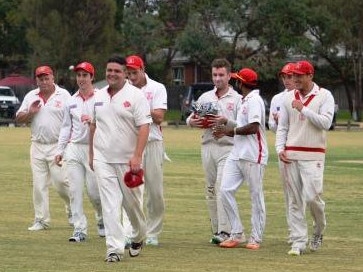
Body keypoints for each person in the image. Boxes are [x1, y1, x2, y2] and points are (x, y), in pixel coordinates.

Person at [89, 56, 152, 262]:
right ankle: (114, 250)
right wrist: (92, 154)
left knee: (132, 207)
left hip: (128, 162)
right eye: (109, 70)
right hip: (103, 159)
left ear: (125, 73)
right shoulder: (97, 96)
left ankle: (139, 235)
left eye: (117, 71)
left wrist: (137, 156)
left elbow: (144, 126)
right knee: (110, 205)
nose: (112, 74)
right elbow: (93, 125)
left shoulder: (136, 96)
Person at [275, 60, 335, 256]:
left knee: (312, 197)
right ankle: (298, 242)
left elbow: (326, 123)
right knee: (294, 200)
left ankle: (318, 230)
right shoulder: (287, 98)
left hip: (313, 154)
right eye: (293, 76)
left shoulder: (324, 95)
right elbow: (282, 126)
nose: (295, 79)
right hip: (291, 154)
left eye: (300, 75)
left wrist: (303, 109)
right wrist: (279, 148)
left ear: (310, 76)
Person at [186, 58, 241, 245]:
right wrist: (190, 122)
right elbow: (193, 117)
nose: (217, 79)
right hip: (208, 146)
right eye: (215, 75)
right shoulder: (205, 97)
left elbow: (243, 126)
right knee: (210, 189)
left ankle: (226, 231)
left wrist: (226, 121)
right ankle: (217, 229)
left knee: (221, 188)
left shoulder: (237, 99)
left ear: (229, 76)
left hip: (228, 147)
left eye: (221, 75)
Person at [213, 68, 268, 250]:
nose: (235, 82)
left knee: (255, 196)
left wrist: (230, 131)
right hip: (237, 153)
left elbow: (253, 127)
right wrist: (226, 122)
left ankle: (256, 237)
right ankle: (237, 233)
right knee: (225, 190)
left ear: (242, 83)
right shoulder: (245, 101)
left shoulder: (255, 101)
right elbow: (241, 124)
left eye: (237, 80)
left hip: (254, 155)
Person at [15, 65, 72, 231]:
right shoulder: (31, 96)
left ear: (53, 78)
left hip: (58, 146)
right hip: (37, 145)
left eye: (47, 78)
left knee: (62, 183)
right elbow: (19, 118)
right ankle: (41, 220)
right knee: (39, 185)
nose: (44, 81)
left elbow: (71, 120)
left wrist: (66, 144)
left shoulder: (64, 95)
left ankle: (72, 210)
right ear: (36, 80)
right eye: (41, 78)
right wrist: (31, 112)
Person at [55, 62, 104, 242]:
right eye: (79, 75)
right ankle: (79, 228)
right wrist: (60, 150)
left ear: (92, 77)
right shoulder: (71, 100)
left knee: (94, 192)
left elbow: (108, 121)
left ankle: (101, 219)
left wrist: (93, 120)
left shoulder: (101, 98)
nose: (81, 79)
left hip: (94, 148)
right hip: (74, 148)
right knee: (74, 190)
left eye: (85, 75)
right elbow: (65, 128)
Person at [125, 55, 167, 246]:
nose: (132, 77)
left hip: (153, 143)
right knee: (131, 191)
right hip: (130, 144)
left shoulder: (157, 88)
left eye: (135, 72)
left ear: (143, 69)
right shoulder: (123, 89)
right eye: (129, 73)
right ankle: (133, 231)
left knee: (155, 191)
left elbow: (158, 116)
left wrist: (140, 106)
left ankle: (153, 232)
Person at [268, 62, 296, 243]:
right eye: (284, 77)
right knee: (288, 192)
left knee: (306, 193)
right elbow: (271, 126)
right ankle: (293, 231)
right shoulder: (277, 99)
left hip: (303, 149)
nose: (287, 80)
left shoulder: (305, 97)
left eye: (290, 76)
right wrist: (278, 122)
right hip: (284, 150)